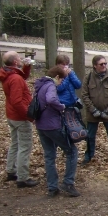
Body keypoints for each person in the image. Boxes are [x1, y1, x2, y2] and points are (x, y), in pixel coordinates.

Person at [34, 66, 80, 197]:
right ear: (57, 77)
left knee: (49, 155)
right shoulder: (50, 86)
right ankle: (68, 182)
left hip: (41, 125)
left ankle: (52, 187)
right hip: (52, 125)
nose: (60, 83)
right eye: (61, 80)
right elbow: (51, 99)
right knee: (71, 150)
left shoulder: (39, 85)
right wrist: (61, 107)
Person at [0, 51, 38, 188]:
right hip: (20, 117)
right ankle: (23, 177)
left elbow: (22, 77)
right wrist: (28, 116)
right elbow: (17, 101)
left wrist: (26, 67)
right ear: (15, 62)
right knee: (25, 146)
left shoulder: (9, 73)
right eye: (19, 58)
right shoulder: (15, 79)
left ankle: (11, 170)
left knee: (15, 143)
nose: (21, 59)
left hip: (12, 115)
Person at [81, 55, 108, 165]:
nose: (104, 66)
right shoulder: (88, 77)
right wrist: (93, 110)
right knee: (90, 136)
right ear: (95, 66)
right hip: (92, 113)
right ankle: (88, 156)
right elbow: (84, 95)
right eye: (101, 64)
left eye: (105, 63)